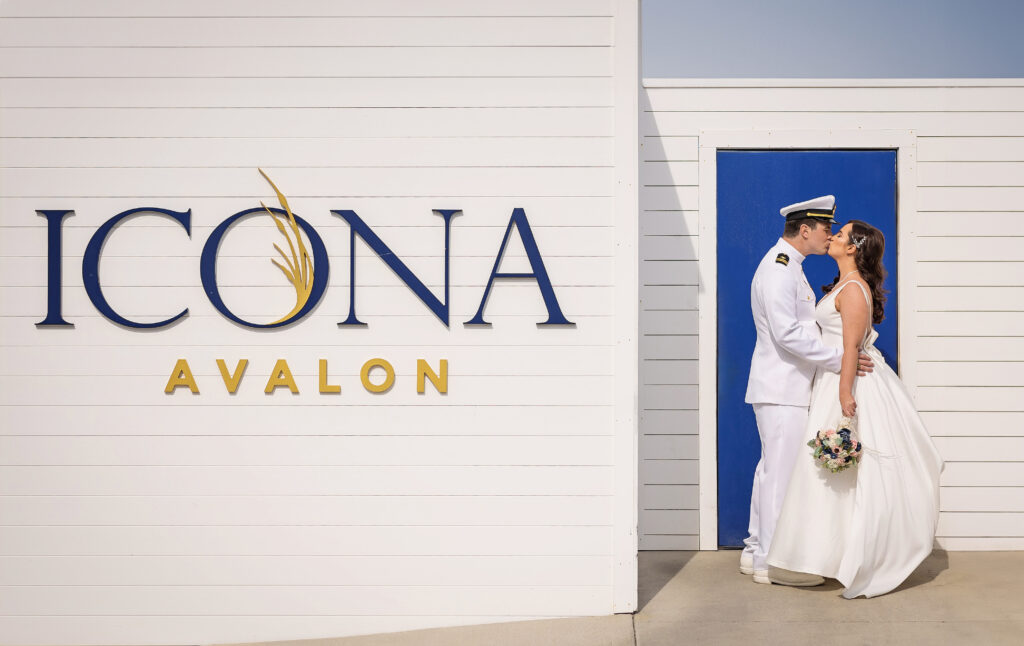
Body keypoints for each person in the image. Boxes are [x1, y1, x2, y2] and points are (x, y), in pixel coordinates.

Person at [766, 220, 944, 598]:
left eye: (841, 234)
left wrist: (846, 393)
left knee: (837, 468)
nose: (832, 236)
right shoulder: (844, 285)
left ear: (853, 248)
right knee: (831, 472)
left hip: (844, 382)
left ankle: (833, 557)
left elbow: (851, 348)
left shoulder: (853, 290)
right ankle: (824, 556)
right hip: (833, 379)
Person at [741, 195, 874, 587]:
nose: (829, 234)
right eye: (824, 228)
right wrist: (840, 359)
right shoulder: (780, 269)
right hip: (783, 387)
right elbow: (787, 335)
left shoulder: (788, 265)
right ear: (805, 230)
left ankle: (754, 550)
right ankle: (771, 562)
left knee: (770, 471)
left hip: (783, 385)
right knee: (780, 475)